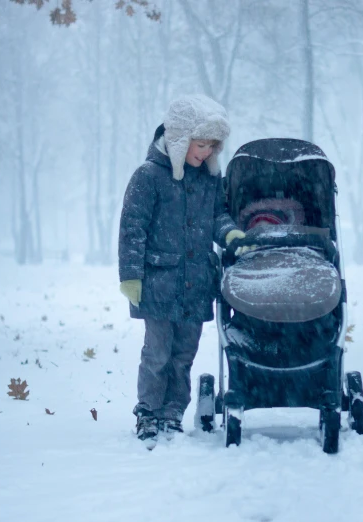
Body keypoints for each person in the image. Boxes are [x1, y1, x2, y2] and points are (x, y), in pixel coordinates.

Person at [117, 94, 246, 449]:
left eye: (211, 146)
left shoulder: (208, 179)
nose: (205, 152)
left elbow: (217, 216)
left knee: (184, 354)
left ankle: (172, 412)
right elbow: (133, 226)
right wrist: (131, 275)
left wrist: (230, 232)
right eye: (200, 144)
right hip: (159, 282)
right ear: (179, 138)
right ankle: (148, 412)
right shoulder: (149, 177)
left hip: (195, 282)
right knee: (157, 353)